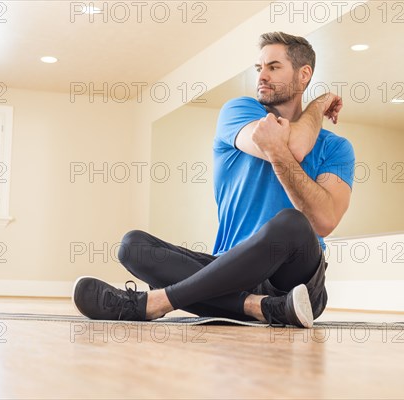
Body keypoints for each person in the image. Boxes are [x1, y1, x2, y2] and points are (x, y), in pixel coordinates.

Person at [73, 32, 355, 328]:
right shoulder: (239, 111)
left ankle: (155, 303)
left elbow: (322, 218)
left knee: (293, 224)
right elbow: (293, 145)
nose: (262, 76)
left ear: (303, 75)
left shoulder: (335, 148)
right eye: (259, 68)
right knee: (133, 246)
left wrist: (310, 112)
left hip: (295, 281)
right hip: (228, 273)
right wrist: (318, 104)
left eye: (273, 67)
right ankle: (263, 308)